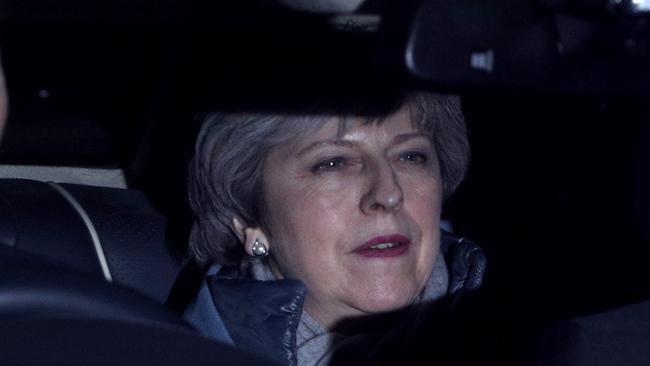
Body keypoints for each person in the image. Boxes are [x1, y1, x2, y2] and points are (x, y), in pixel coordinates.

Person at [183, 91, 487, 366]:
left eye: (410, 156)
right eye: (333, 163)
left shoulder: (523, 330)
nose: (388, 193)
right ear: (247, 216)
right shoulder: (178, 353)